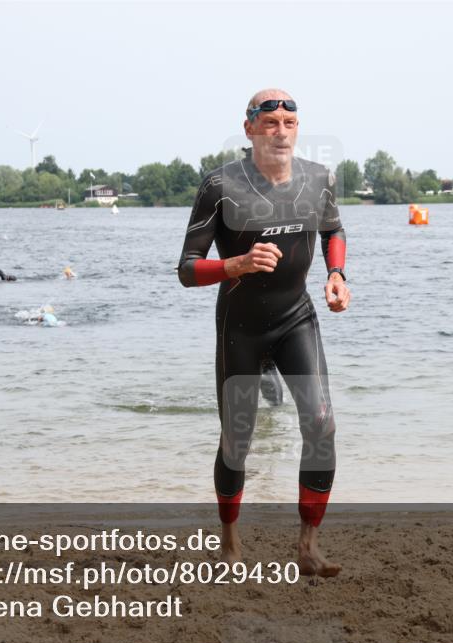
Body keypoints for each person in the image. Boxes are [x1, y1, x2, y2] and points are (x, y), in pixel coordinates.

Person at [177, 89, 350, 577]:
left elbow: (333, 230)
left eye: (289, 123)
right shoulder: (221, 186)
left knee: (321, 424)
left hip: (297, 316)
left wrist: (338, 276)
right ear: (249, 128)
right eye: (269, 121)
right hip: (241, 326)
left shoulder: (319, 179)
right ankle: (229, 542)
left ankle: (308, 546)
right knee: (238, 439)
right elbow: (187, 269)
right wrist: (237, 263)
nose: (280, 130)